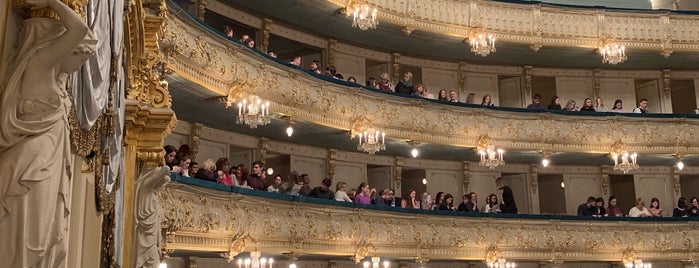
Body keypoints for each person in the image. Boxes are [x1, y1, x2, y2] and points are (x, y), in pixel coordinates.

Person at [0, 0, 94, 266]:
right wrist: (54, 2)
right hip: (33, 163)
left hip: (48, 160)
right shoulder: (41, 64)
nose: (79, 65)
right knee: (31, 234)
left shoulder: (57, 79)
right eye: (80, 56)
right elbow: (79, 29)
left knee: (49, 235)